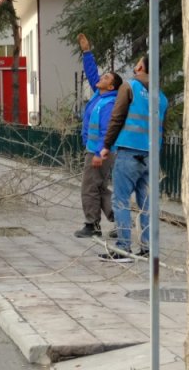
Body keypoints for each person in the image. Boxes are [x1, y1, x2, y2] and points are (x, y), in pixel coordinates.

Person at [97, 55, 168, 262]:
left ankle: (123, 248)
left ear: (140, 67)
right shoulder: (161, 97)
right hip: (151, 156)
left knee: (121, 201)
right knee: (147, 204)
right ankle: (147, 248)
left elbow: (117, 117)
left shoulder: (129, 86)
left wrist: (106, 145)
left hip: (129, 151)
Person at [73, 34, 121, 239]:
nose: (101, 78)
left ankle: (92, 225)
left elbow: (107, 130)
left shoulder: (110, 103)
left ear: (111, 86)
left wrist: (100, 152)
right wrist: (87, 52)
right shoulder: (99, 95)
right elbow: (92, 74)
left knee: (89, 187)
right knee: (99, 187)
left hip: (100, 151)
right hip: (96, 149)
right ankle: (121, 220)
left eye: (106, 78)